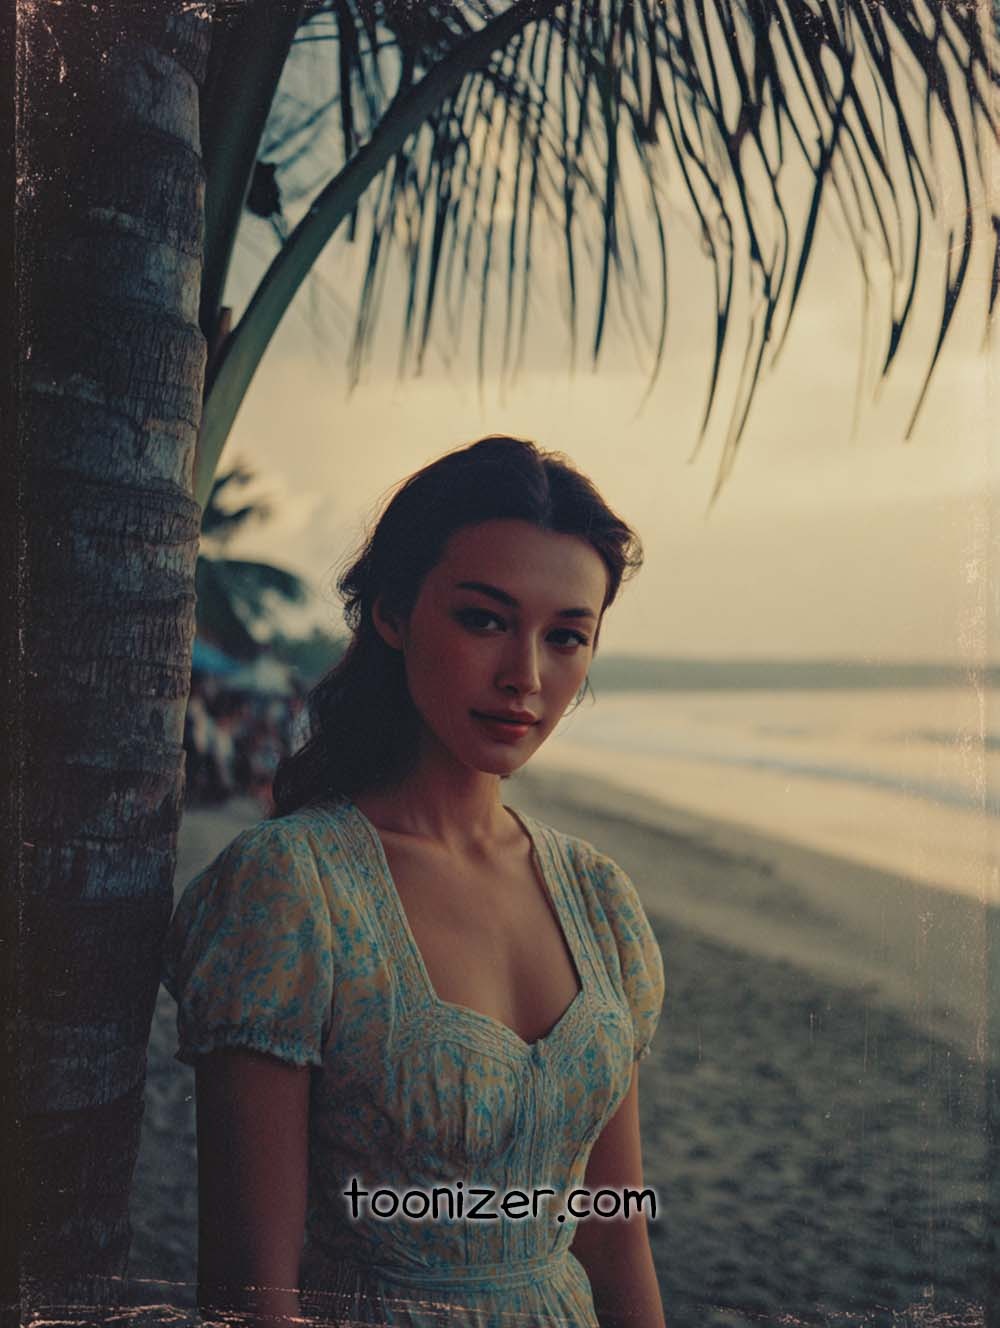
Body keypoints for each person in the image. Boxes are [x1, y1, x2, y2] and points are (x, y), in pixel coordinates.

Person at [163, 436, 666, 1327]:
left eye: (566, 637)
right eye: (484, 619)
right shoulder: (294, 890)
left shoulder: (601, 901)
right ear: (393, 613)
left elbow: (613, 1232)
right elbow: (248, 1286)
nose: (527, 676)